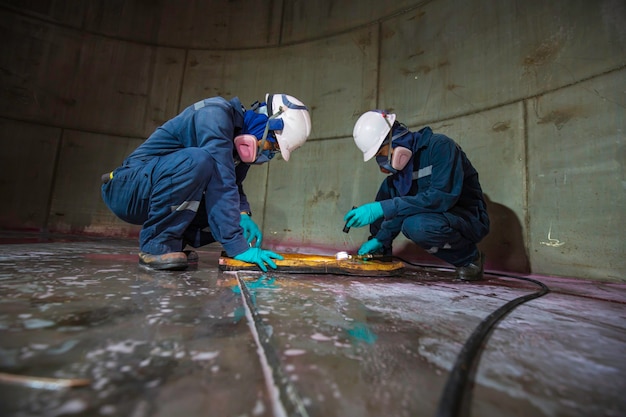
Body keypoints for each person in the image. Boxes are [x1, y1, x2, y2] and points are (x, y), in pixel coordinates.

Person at [102, 93, 311, 271]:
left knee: (225, 207)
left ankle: (173, 244)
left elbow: (233, 184)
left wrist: (243, 215)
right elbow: (221, 183)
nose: (268, 153)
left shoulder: (238, 142)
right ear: (268, 124)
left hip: (153, 190)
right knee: (199, 161)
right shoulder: (215, 115)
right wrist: (239, 247)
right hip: (127, 188)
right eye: (272, 146)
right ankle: (156, 244)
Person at [343, 110, 490, 280]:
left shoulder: (440, 147)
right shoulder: (401, 177)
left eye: (381, 154)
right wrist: (381, 239)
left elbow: (441, 198)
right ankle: (380, 252)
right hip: (432, 218)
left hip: (465, 218)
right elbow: (406, 207)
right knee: (388, 192)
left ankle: (470, 259)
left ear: (394, 139)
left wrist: (383, 208)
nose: (382, 163)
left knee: (416, 226)